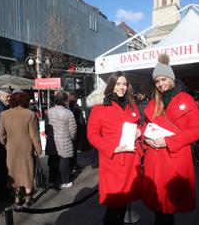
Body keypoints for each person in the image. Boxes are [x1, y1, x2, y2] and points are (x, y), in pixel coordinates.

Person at [142, 54, 199, 225]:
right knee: (159, 205)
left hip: (174, 159)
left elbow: (196, 131)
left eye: (163, 79)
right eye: (157, 82)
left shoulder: (187, 100)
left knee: (168, 204)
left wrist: (167, 141)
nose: (160, 84)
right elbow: (145, 127)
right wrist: (145, 140)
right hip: (154, 158)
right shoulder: (154, 102)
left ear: (171, 78)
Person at [87, 71, 143, 225]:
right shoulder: (100, 108)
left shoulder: (131, 105)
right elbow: (92, 135)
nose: (122, 87)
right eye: (118, 84)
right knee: (114, 207)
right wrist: (112, 148)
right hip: (114, 162)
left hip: (132, 161)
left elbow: (139, 126)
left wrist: (140, 132)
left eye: (124, 84)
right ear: (111, 85)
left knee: (124, 203)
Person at [0, 92, 42, 206]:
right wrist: (39, 148)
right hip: (26, 148)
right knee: (28, 171)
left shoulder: (4, 114)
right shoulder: (30, 114)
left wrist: (6, 145)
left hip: (12, 148)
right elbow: (34, 135)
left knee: (14, 172)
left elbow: (1, 134)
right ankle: (28, 198)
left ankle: (17, 198)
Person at [46, 92, 77, 188]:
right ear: (65, 100)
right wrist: (73, 137)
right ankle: (64, 181)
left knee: (53, 160)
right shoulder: (68, 112)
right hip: (64, 139)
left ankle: (52, 180)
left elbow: (46, 127)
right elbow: (73, 128)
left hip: (52, 140)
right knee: (64, 160)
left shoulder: (49, 111)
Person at [68, 92, 86, 171]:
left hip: (68, 130)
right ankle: (74, 165)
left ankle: (71, 165)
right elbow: (81, 121)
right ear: (76, 99)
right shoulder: (76, 108)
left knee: (71, 148)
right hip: (77, 129)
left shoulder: (67, 107)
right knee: (74, 149)